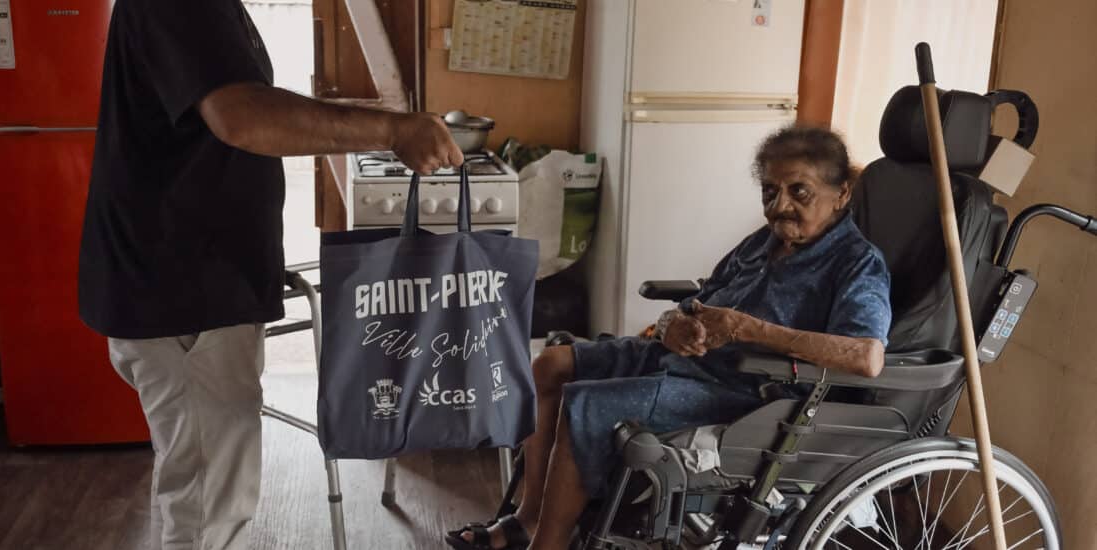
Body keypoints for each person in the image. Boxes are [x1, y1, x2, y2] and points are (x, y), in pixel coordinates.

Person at [76, 1, 463, 549]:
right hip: (185, 292)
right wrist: (393, 130)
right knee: (208, 505)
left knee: (202, 485)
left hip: (187, 280)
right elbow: (243, 115)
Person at [447, 126, 892, 550]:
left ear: (842, 195)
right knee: (548, 366)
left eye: (800, 191)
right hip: (682, 359)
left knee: (583, 402)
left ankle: (551, 541)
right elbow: (703, 298)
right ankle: (528, 519)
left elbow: (866, 357)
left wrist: (747, 328)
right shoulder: (764, 241)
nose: (781, 206)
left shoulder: (857, 263)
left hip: (742, 389)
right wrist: (673, 324)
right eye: (770, 192)